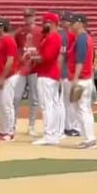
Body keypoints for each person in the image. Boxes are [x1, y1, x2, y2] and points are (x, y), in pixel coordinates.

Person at [27, 12, 62, 146]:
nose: (43, 25)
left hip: (47, 74)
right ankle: (53, 134)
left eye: (46, 22)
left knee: (47, 106)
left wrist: (32, 57)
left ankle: (49, 135)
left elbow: (46, 58)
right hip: (49, 74)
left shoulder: (52, 37)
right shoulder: (50, 37)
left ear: (52, 23)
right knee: (51, 105)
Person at [67, 13, 97, 149]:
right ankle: (88, 138)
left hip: (81, 78)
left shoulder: (81, 39)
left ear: (79, 23)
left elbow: (80, 60)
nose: (71, 25)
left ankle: (89, 139)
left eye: (73, 23)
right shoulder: (86, 38)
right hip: (85, 77)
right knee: (82, 108)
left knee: (82, 109)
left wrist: (75, 78)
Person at [0, 18, 19, 141]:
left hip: (9, 77)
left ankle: (10, 132)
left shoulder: (9, 40)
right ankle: (3, 131)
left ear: (2, 27)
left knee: (7, 104)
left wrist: (2, 77)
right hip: (0, 76)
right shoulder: (2, 40)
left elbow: (10, 61)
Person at [13, 8, 41, 136]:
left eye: (30, 16)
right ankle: (12, 125)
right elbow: (15, 48)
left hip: (35, 67)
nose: (28, 18)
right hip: (22, 67)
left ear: (34, 17)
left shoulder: (40, 31)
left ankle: (31, 126)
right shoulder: (19, 32)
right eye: (26, 16)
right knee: (16, 97)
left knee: (34, 98)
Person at [58, 11, 79, 137]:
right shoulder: (68, 35)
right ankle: (69, 127)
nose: (68, 23)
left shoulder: (70, 35)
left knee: (70, 101)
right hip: (67, 72)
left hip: (71, 72)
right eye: (66, 20)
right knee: (68, 101)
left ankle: (70, 126)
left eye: (69, 21)